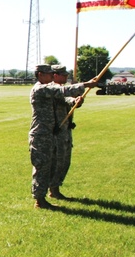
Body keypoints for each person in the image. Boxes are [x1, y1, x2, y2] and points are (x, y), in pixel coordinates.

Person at [29, 64, 95, 209]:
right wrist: (86, 84)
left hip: (53, 134)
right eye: (49, 74)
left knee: (54, 165)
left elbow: (63, 99)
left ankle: (51, 192)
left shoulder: (49, 90)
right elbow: (61, 90)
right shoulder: (40, 89)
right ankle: (40, 200)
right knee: (42, 167)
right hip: (41, 135)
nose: (52, 76)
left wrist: (75, 101)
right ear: (40, 74)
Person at [49, 65, 81, 200]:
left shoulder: (64, 89)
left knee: (64, 162)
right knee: (55, 161)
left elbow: (68, 100)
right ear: (55, 75)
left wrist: (76, 100)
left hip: (65, 130)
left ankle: (55, 188)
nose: (66, 77)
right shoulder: (51, 88)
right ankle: (51, 190)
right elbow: (62, 97)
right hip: (54, 131)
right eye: (63, 75)